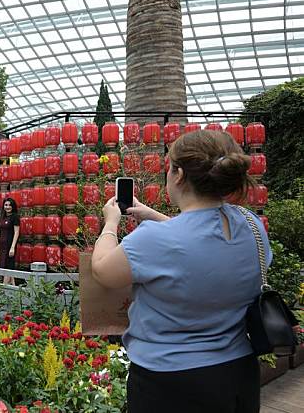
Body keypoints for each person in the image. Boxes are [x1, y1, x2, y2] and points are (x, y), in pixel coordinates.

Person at [91, 130, 270, 413]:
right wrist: (150, 214)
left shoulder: (154, 240)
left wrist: (110, 223)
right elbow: (199, 237)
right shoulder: (251, 225)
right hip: (238, 373)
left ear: (179, 174)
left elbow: (103, 270)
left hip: (170, 382)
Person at [0, 198, 20, 285]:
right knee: (4, 265)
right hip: (2, 245)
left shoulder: (15, 217)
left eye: (9, 205)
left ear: (13, 206)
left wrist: (13, 247)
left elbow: (16, 232)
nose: (7, 207)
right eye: (6, 205)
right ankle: (14, 287)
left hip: (10, 244)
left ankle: (3, 288)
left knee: (8, 266)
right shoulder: (2, 217)